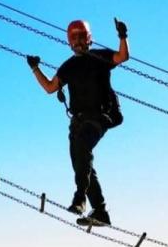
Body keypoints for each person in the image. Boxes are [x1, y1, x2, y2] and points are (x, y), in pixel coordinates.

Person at [26, 18, 129, 226]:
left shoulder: (99, 57)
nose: (79, 42)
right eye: (75, 38)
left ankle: (80, 198)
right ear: (69, 42)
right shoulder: (69, 66)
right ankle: (100, 211)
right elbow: (49, 87)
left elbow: (122, 56)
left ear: (89, 39)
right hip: (78, 122)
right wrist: (35, 68)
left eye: (82, 37)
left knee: (82, 149)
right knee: (80, 162)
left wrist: (122, 36)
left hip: (99, 118)